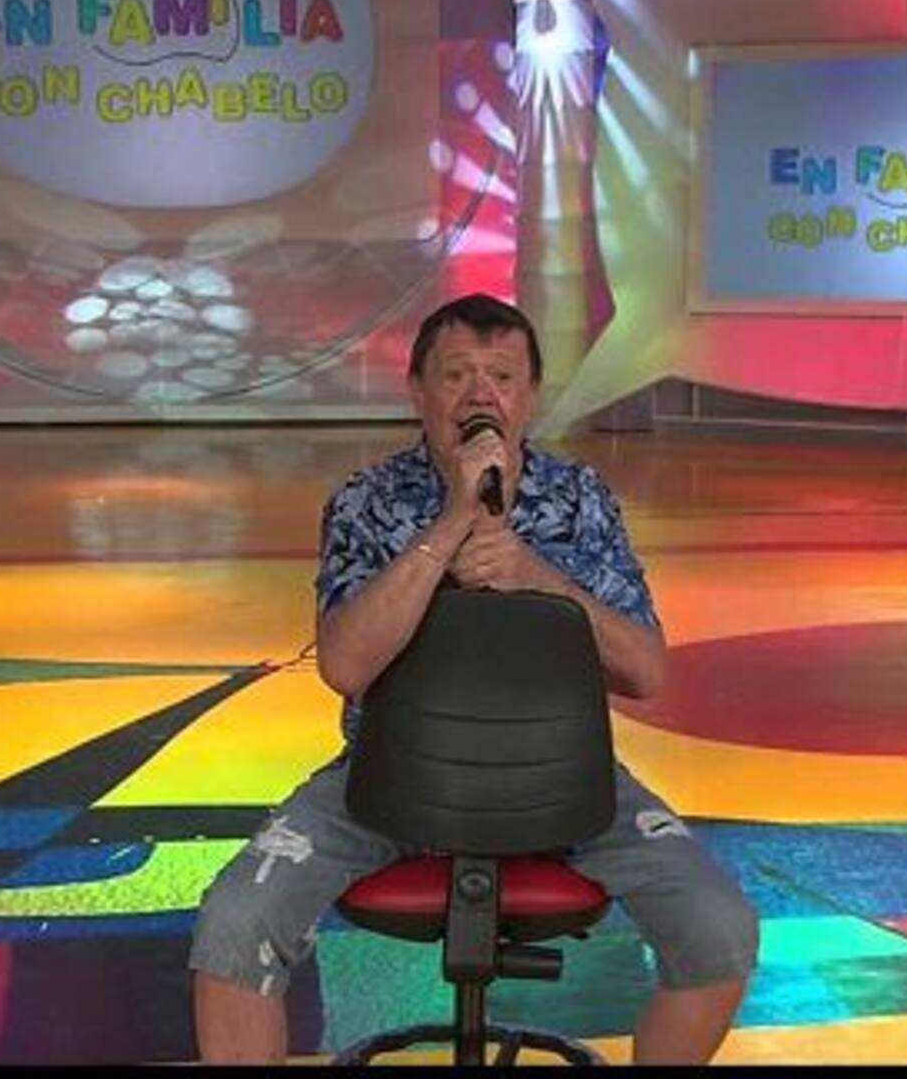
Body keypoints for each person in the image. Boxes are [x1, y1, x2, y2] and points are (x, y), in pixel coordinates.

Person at [189, 293, 759, 1064]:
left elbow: (645, 670)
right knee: (233, 929)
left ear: (530, 396)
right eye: (456, 375)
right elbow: (346, 666)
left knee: (720, 931)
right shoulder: (367, 501)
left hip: (565, 779)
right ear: (417, 391)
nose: (480, 395)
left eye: (502, 377)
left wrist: (535, 575)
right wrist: (454, 519)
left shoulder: (583, 500)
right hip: (386, 774)